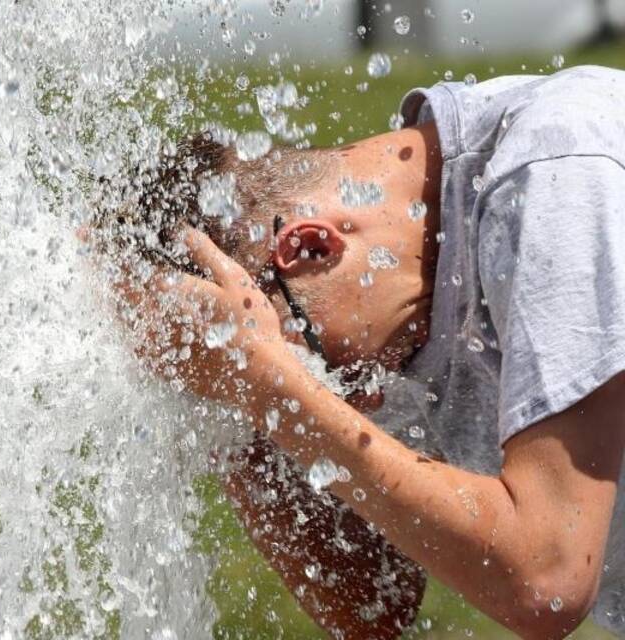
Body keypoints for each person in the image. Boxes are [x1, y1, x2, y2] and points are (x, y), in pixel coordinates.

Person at [104, 65, 625, 638]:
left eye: (312, 368)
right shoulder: (382, 305)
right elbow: (374, 601)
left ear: (308, 247)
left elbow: (546, 579)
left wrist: (271, 384)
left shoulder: (560, 173)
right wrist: (234, 402)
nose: (361, 398)